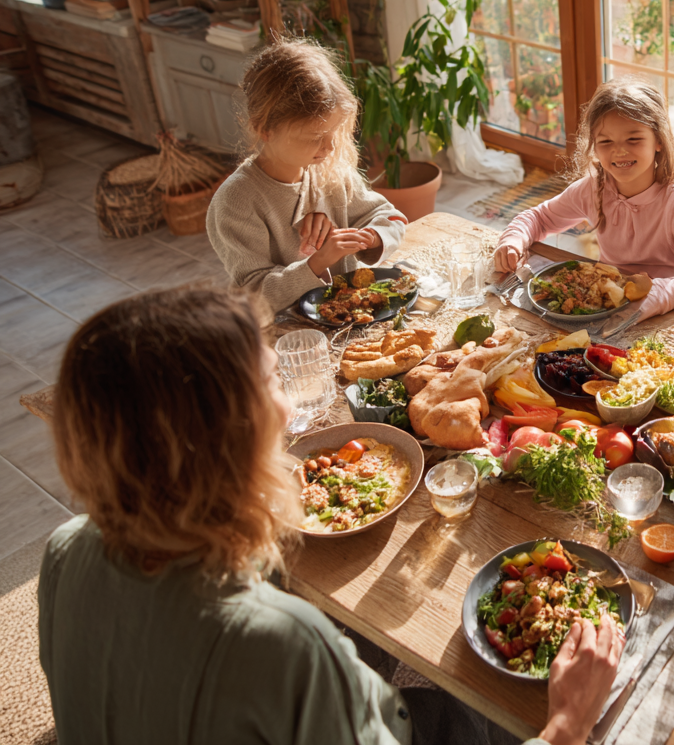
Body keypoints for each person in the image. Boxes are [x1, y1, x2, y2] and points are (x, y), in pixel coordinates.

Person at [39, 287, 624, 745]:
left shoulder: (65, 549)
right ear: (229, 440)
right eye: (273, 381)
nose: (293, 402)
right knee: (484, 698)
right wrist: (566, 726)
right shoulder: (283, 642)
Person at [207, 40, 406, 311]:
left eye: (334, 132)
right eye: (314, 137)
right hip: (289, 337)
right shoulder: (236, 201)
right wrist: (318, 261)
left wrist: (368, 236)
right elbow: (253, 297)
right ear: (265, 129)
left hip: (350, 318)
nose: (330, 147)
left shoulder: (330, 168)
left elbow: (390, 217)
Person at [494, 78, 674, 318]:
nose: (620, 150)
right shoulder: (594, 188)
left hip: (666, 311)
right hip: (607, 308)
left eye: (633, 139)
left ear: (660, 141)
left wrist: (657, 294)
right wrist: (514, 240)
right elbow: (539, 218)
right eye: (605, 141)